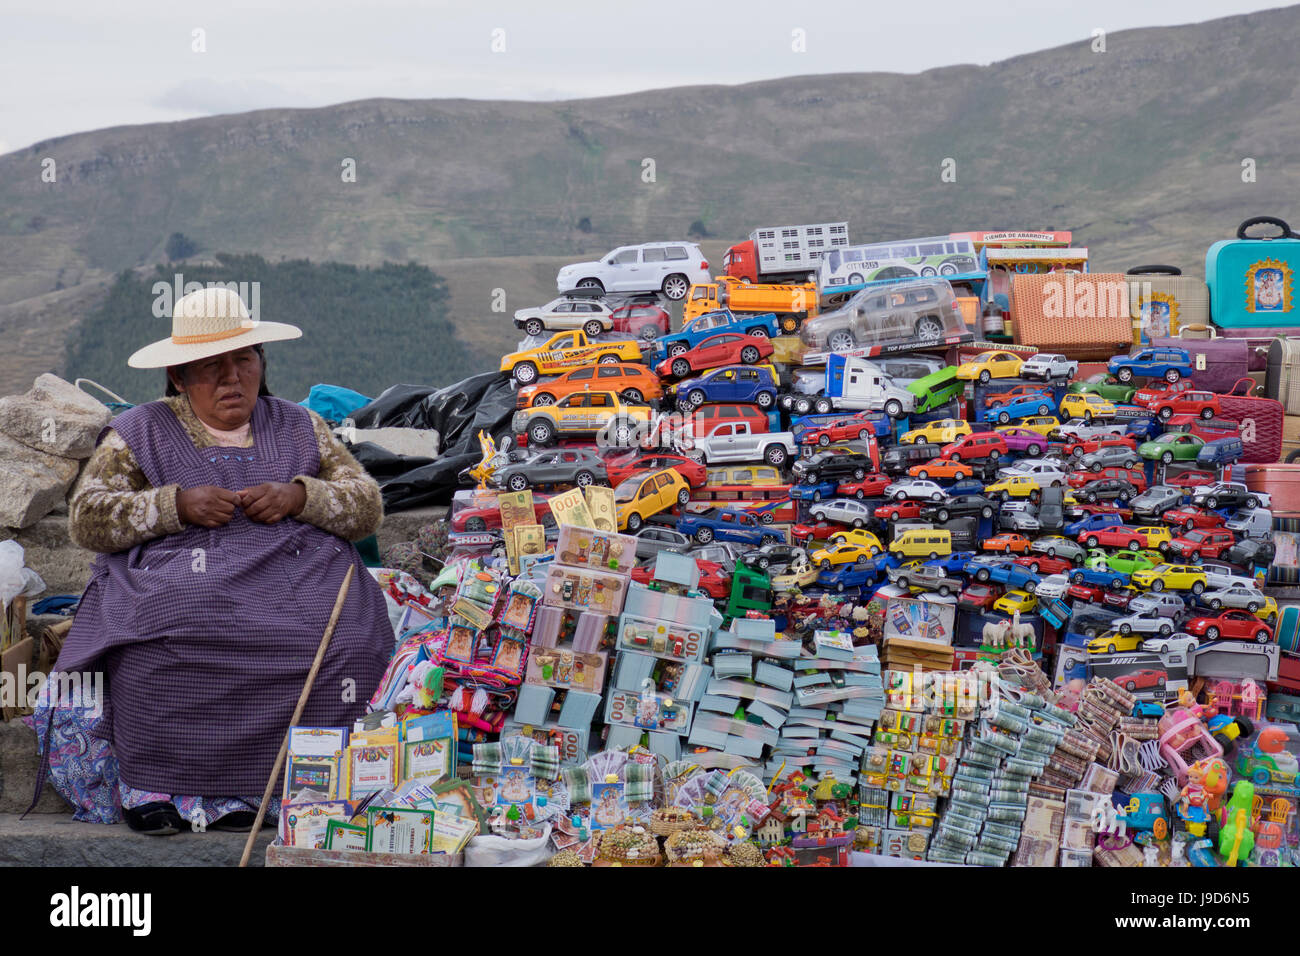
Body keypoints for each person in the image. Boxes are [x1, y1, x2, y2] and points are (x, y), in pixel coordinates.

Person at [33, 287, 393, 835]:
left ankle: (271, 790)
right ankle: (152, 787)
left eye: (243, 360)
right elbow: (88, 518)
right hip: (181, 579)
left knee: (345, 638)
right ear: (179, 376)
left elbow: (365, 504)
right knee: (157, 633)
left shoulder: (300, 425)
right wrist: (174, 504)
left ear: (261, 363)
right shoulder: (140, 432)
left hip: (291, 576)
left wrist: (301, 496)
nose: (232, 378)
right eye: (211, 367)